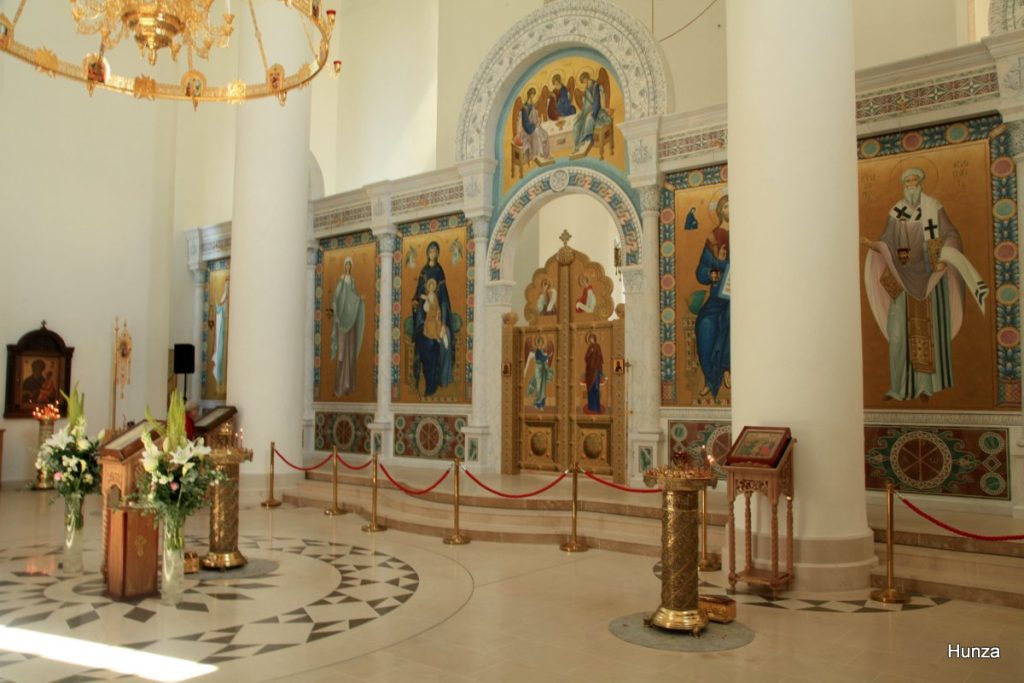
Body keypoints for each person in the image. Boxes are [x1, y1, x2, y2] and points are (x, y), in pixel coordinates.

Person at [863, 167, 987, 401]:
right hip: (901, 276)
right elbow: (887, 239)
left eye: (914, 180)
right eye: (907, 181)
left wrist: (943, 257)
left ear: (920, 182)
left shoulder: (933, 207)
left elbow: (952, 234)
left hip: (929, 278)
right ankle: (899, 387)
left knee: (926, 330)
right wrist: (875, 245)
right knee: (897, 332)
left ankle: (925, 387)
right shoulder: (896, 211)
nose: (911, 184)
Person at [695, 194, 731, 399]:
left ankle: (727, 368)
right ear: (720, 211)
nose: (730, 209)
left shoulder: (748, 232)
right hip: (717, 297)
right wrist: (711, 273)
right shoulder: (713, 238)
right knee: (704, 324)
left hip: (741, 297)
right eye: (726, 206)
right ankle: (711, 377)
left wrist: (723, 263)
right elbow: (700, 270)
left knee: (730, 319)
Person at [412, 241, 455, 397]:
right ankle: (424, 378)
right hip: (423, 319)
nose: (432, 253)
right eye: (430, 250)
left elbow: (443, 299)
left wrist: (443, 323)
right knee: (422, 343)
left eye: (435, 251)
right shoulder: (423, 272)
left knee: (444, 341)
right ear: (427, 253)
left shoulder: (439, 271)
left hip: (436, 319)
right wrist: (417, 300)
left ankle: (438, 379)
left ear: (438, 253)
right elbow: (417, 293)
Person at [331, 257, 365, 396]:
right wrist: (337, 316)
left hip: (351, 321)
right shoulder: (341, 281)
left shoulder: (352, 282)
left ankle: (348, 385)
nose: (348, 267)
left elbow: (353, 297)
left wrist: (359, 300)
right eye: (346, 265)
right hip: (342, 322)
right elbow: (336, 299)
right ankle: (339, 385)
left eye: (350, 265)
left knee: (350, 353)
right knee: (341, 353)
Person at [572, 71, 612, 154]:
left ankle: (586, 140)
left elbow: (597, 102)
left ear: (587, 78)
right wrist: (582, 113)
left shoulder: (595, 86)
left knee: (588, 120)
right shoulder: (587, 88)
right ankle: (577, 145)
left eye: (585, 81)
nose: (585, 83)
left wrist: (592, 113)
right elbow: (586, 103)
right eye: (583, 82)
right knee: (577, 124)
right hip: (587, 111)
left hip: (596, 111)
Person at [515, 87, 552, 165]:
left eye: (533, 95)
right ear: (529, 95)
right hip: (527, 131)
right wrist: (534, 125)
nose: (532, 97)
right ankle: (538, 154)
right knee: (536, 135)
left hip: (534, 127)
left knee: (545, 134)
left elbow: (535, 118)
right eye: (531, 95)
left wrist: (538, 121)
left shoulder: (532, 106)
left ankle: (546, 154)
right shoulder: (524, 108)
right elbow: (525, 124)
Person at [524, 336, 554, 410]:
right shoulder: (537, 351)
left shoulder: (542, 351)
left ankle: (542, 405)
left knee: (543, 387)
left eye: (541, 343)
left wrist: (547, 357)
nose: (540, 345)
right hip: (538, 370)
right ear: (537, 344)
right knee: (539, 386)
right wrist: (548, 356)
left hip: (543, 370)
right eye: (539, 343)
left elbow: (544, 359)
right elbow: (540, 358)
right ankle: (537, 404)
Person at [212, 279, 229, 391]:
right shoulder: (225, 298)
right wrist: (217, 303)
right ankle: (220, 385)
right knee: (220, 356)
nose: (228, 287)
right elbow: (219, 309)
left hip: (229, 332)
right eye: (227, 285)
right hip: (223, 332)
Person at [583, 333, 604, 414]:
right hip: (590, 371)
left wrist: (598, 367)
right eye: (590, 339)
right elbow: (586, 358)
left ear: (594, 339)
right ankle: (591, 407)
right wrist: (590, 353)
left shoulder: (597, 346)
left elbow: (600, 357)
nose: (591, 340)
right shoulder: (590, 347)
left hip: (596, 371)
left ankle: (596, 407)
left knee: (596, 388)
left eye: (592, 338)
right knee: (590, 389)